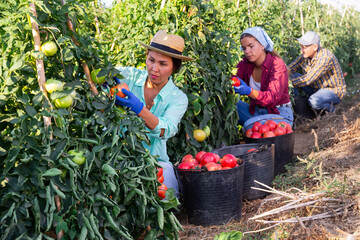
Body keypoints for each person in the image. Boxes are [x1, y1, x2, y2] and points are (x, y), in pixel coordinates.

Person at [113, 30, 194, 197]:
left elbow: (167, 129)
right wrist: (106, 85)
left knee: (168, 199)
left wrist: (139, 109)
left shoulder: (178, 98)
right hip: (118, 156)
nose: (154, 69)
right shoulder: (131, 77)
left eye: (163, 64)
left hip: (155, 161)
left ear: (174, 67)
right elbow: (97, 74)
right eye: (151, 60)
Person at [233, 26, 293, 127]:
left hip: (279, 113)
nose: (247, 51)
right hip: (256, 112)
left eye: (251, 46)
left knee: (255, 128)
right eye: (244, 48)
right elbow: (232, 80)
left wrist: (249, 91)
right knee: (230, 105)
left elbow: (272, 98)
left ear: (262, 45)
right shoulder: (244, 64)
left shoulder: (277, 65)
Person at [288, 31, 346, 113]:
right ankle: (297, 108)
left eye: (304, 47)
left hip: (333, 91)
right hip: (316, 89)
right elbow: (289, 69)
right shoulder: (305, 56)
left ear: (315, 47)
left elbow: (308, 79)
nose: (301, 50)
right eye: (301, 47)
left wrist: (288, 83)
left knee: (314, 101)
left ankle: (333, 111)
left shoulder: (325, 57)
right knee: (290, 76)